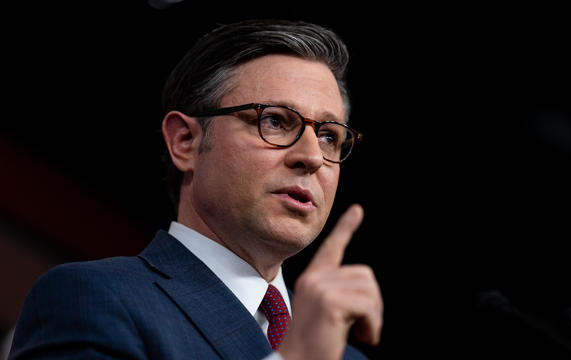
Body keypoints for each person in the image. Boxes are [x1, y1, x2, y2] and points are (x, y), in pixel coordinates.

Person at [9, 19, 383, 359]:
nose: (313, 157)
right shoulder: (89, 299)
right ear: (185, 141)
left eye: (329, 136)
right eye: (274, 121)